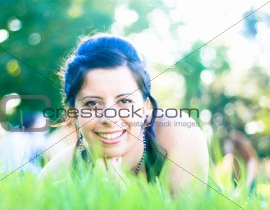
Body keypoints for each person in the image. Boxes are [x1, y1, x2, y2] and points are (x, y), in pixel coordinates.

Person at [39, 34, 209, 195]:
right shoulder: (57, 176)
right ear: (73, 113)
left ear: (144, 108)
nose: (109, 118)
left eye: (125, 101)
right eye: (92, 104)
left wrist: (122, 200)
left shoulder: (175, 135)